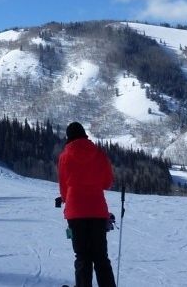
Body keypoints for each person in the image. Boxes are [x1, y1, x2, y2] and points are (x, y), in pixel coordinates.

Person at [57, 122, 116, 287]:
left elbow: (63, 187)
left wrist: (67, 200)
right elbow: (107, 182)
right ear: (84, 135)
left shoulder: (64, 156)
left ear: (68, 138)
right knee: (100, 256)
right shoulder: (99, 154)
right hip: (97, 210)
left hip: (75, 212)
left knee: (82, 257)